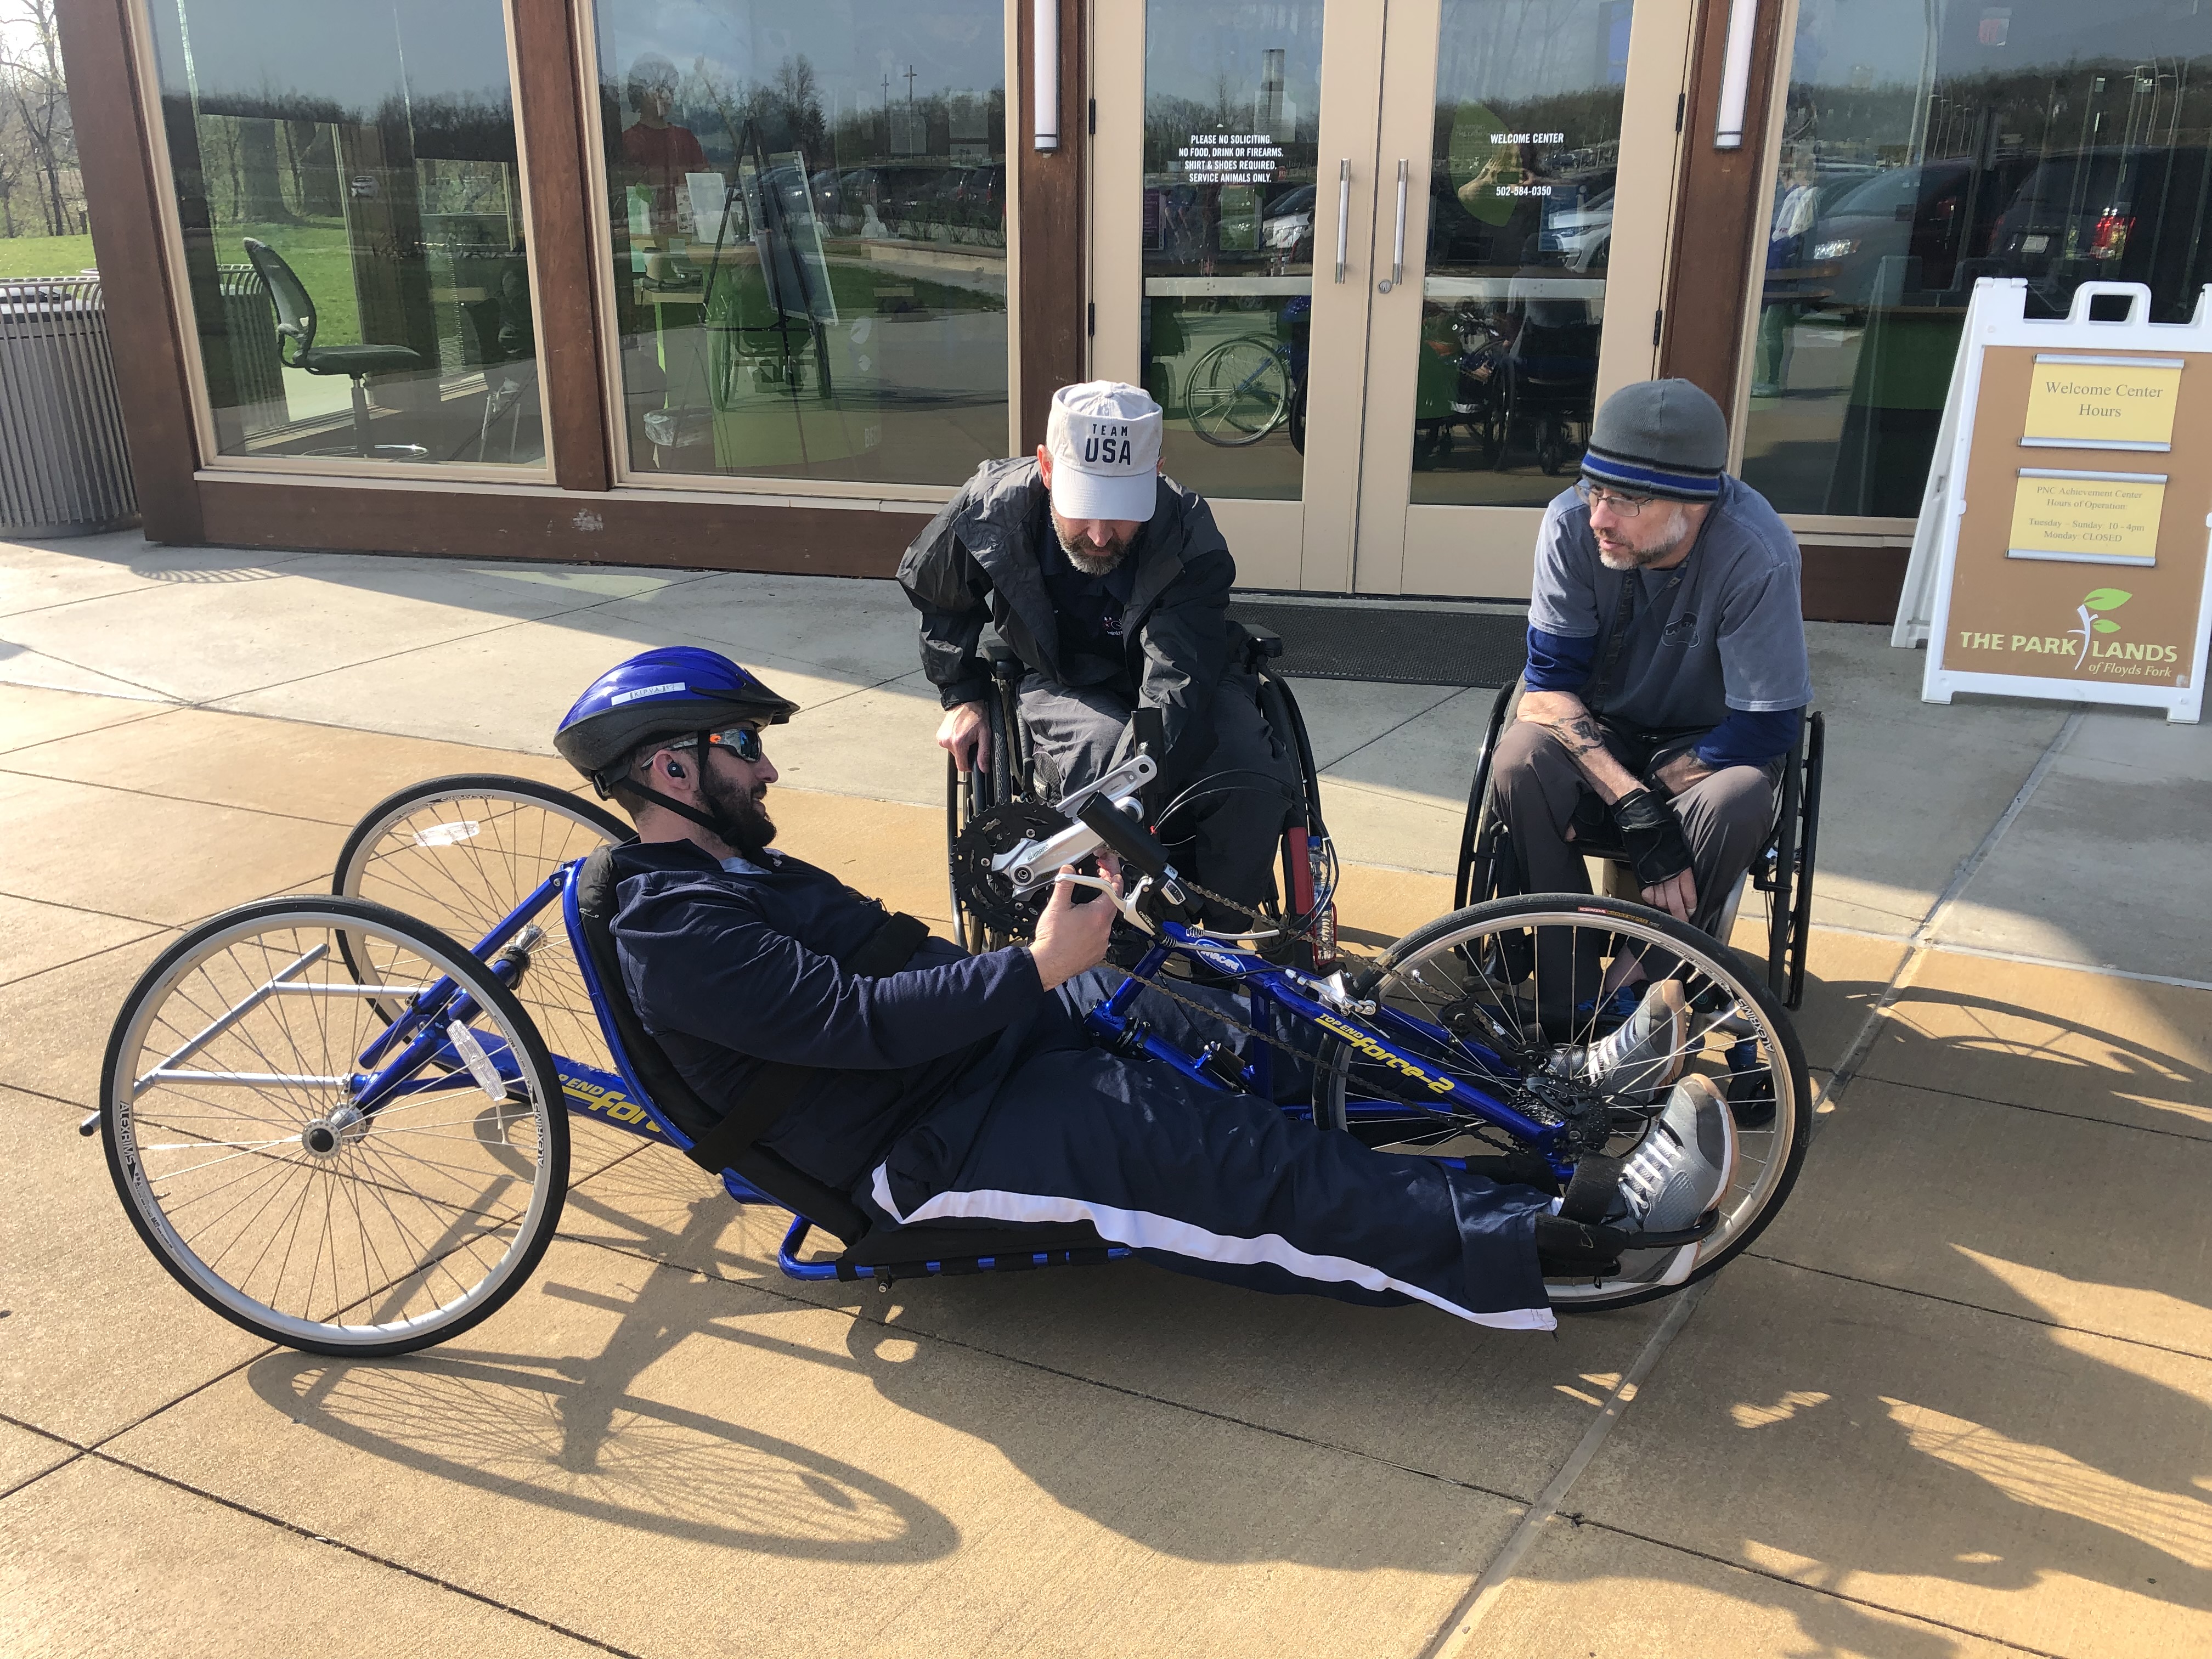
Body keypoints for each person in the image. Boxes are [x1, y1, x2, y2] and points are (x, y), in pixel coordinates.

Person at [551, 646, 1740, 1331]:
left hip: (993, 1046)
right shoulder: (677, 925)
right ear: (670, 767)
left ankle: (1566, 1090)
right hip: (927, 1144)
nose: (766, 766)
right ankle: (1588, 1239)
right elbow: (855, 1028)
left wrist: (1058, 933)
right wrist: (1033, 970)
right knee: (1249, 1168)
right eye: (742, 749)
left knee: (1274, 1018)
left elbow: (898, 951)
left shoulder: (742, 863)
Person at [898, 381, 1298, 925]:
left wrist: (1128, 812)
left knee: (1247, 774)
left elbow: (1175, 683)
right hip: (1059, 676)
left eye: (1120, 511)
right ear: (1045, 467)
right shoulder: (989, 507)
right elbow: (937, 590)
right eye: (1083, 508)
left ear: (1155, 473)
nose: (1100, 534)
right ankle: (1112, 941)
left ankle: (1223, 949)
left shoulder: (1186, 531)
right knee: (1103, 749)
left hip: (1182, 674)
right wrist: (961, 692)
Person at [1491, 378, 1813, 1049]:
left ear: (1695, 504)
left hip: (1710, 737)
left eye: (1626, 501)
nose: (1599, 517)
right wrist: (1632, 800)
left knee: (1743, 796)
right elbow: (1548, 686)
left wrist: (1661, 793)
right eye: (1593, 490)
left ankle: (1644, 982)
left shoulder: (1757, 552)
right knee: (1520, 759)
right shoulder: (1570, 524)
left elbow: (1771, 725)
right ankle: (1568, 988)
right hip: (1595, 726)